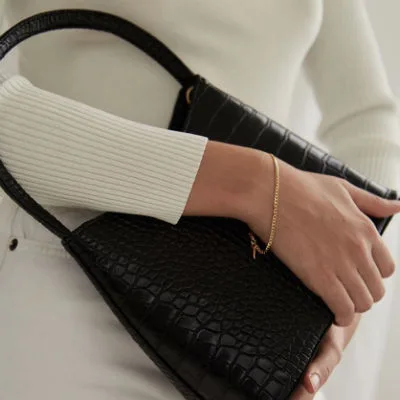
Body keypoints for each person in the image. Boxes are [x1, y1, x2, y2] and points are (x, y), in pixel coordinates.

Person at [0, 1, 398, 400]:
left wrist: (345, 294)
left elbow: (368, 119)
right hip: (70, 287)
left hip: (260, 323)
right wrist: (253, 183)